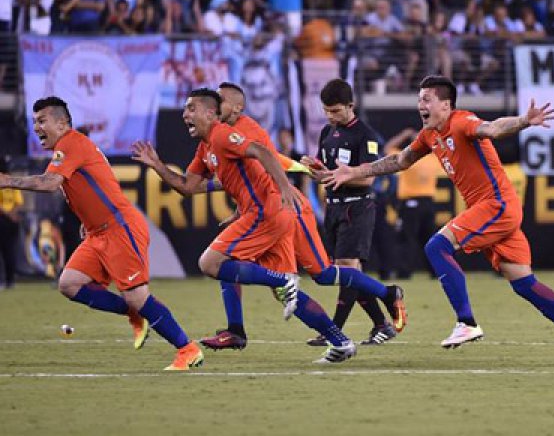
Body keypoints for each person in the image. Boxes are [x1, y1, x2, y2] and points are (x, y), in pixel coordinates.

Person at [317, 76, 554, 368]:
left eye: (427, 99)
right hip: (488, 209)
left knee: (436, 246)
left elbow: (493, 128)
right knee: (524, 284)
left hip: (497, 204)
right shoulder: (429, 134)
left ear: (446, 104)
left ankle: (466, 322)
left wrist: (523, 121)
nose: (420, 105)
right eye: (419, 99)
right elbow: (399, 161)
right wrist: (354, 172)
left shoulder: (461, 121)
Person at [144, 82, 405, 350]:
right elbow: (216, 181)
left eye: (220, 101)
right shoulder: (213, 141)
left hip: (288, 207)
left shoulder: (240, 131)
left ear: (237, 107)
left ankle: (378, 303)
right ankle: (340, 336)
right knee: (292, 283)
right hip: (275, 207)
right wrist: (238, 205)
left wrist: (283, 188)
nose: (216, 105)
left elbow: (265, 161)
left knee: (316, 273)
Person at [0, 97, 202, 370]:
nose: (36, 127)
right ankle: (134, 313)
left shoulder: (70, 143)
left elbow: (49, 183)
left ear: (62, 123)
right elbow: (93, 184)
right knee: (69, 284)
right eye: (34, 121)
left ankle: (187, 349)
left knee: (137, 296)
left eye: (42, 121)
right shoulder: (70, 147)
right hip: (98, 232)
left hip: (120, 228)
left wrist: (7, 181)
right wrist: (89, 219)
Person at [300, 79, 400, 346]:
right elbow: (327, 173)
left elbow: (368, 178)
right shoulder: (327, 132)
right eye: (326, 111)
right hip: (333, 207)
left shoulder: (366, 135)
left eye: (335, 111)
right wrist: (314, 169)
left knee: (346, 268)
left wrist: (336, 176)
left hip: (357, 207)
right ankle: (381, 324)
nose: (330, 116)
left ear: (350, 106)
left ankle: (333, 332)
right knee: (351, 273)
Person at [385, 127, 442, 279]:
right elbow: (443, 146)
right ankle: (435, 271)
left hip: (410, 203)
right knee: (429, 239)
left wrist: (404, 134)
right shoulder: (434, 158)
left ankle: (404, 272)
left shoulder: (408, 158)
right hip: (428, 203)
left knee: (406, 238)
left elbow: (388, 148)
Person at [0, 156, 23, 289]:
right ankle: (10, 281)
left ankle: (3, 280)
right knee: (10, 250)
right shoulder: (12, 181)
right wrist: (12, 215)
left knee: (4, 252)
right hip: (13, 220)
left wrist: (7, 214)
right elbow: (19, 202)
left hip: (3, 219)